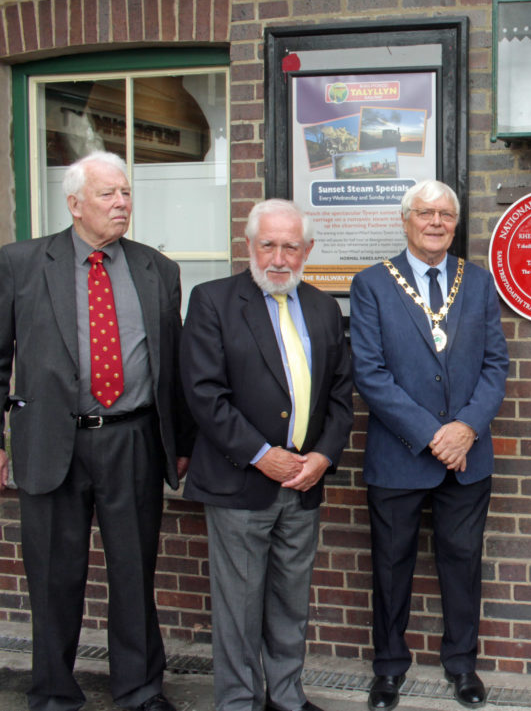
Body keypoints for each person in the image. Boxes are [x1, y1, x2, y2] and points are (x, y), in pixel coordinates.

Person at [0, 151, 193, 711]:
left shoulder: (157, 269)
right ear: (74, 204)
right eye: (107, 194)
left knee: (134, 572)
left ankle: (140, 689)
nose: (122, 203)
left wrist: (182, 443)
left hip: (133, 439)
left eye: (126, 193)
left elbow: (173, 365)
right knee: (53, 576)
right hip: (52, 440)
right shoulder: (23, 263)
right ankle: (53, 692)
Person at [180, 199, 354, 711]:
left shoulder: (323, 307)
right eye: (268, 245)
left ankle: (286, 697)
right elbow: (204, 394)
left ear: (308, 250)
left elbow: (340, 396)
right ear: (249, 245)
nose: (279, 258)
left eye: (290, 247)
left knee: (290, 603)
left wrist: (322, 457)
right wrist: (261, 455)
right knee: (238, 607)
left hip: (303, 483)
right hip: (240, 483)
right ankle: (238, 702)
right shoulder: (212, 300)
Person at [349, 180, 508, 711]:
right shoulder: (372, 284)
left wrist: (466, 428)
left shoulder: (478, 282)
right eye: (425, 213)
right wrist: (432, 435)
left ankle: (462, 664)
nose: (436, 222)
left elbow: (495, 366)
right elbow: (370, 373)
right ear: (406, 220)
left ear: (455, 224)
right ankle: (388, 668)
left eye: (446, 214)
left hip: (467, 457)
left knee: (462, 564)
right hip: (399, 456)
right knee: (390, 567)